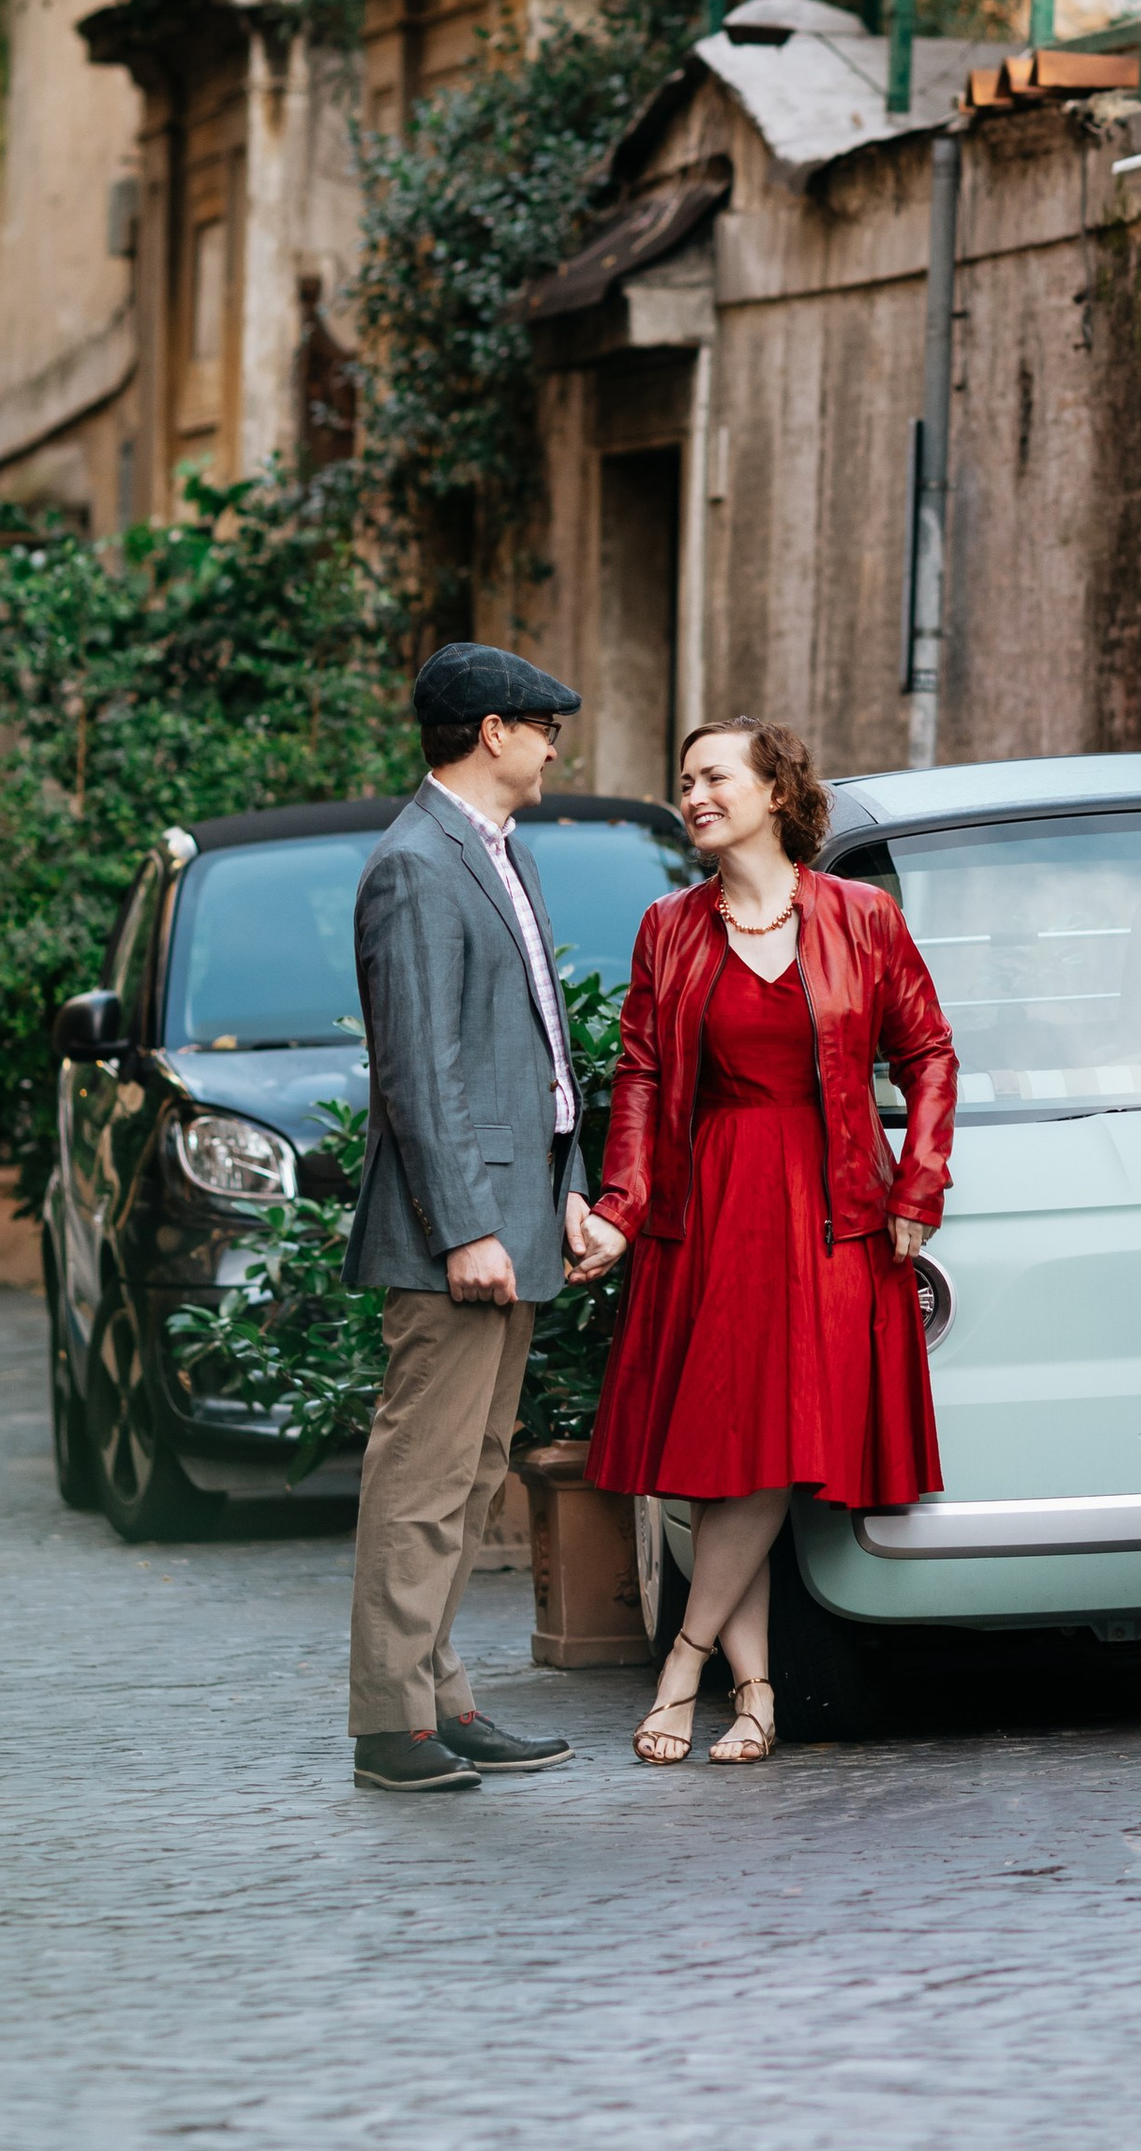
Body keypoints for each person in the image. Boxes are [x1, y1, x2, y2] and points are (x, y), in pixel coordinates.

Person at [572, 715, 955, 1764]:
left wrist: (919, 1178)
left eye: (713, 777)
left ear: (776, 792)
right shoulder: (667, 926)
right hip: (710, 1209)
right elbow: (643, 1078)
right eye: (683, 779)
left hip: (830, 1207)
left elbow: (925, 1049)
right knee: (717, 1459)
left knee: (773, 1454)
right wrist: (621, 1204)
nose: (693, 794)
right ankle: (755, 1697)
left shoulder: (861, 917)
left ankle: (682, 1667)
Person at [343, 641, 602, 1794]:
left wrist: (568, 1188)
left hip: (513, 1214)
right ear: (491, 731)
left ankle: (441, 1698)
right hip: (459, 1234)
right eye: (544, 726)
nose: (555, 745)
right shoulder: (415, 864)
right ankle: (390, 1727)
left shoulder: (496, 854)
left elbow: (535, 1054)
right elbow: (418, 1072)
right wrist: (464, 1228)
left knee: (469, 1471)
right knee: (423, 1478)